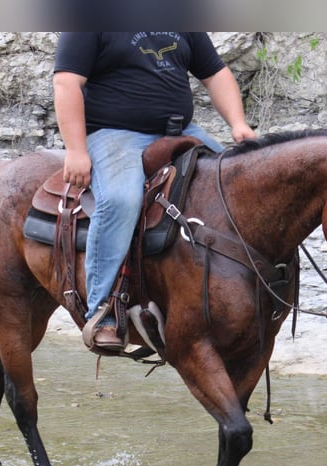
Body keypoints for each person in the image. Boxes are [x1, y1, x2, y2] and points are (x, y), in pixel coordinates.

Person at [53, 32, 256, 352]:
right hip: (113, 133)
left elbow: (215, 73)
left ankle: (247, 285)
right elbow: (67, 83)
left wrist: (238, 124)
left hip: (179, 131)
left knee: (239, 183)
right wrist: (76, 150)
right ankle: (102, 309)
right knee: (120, 200)